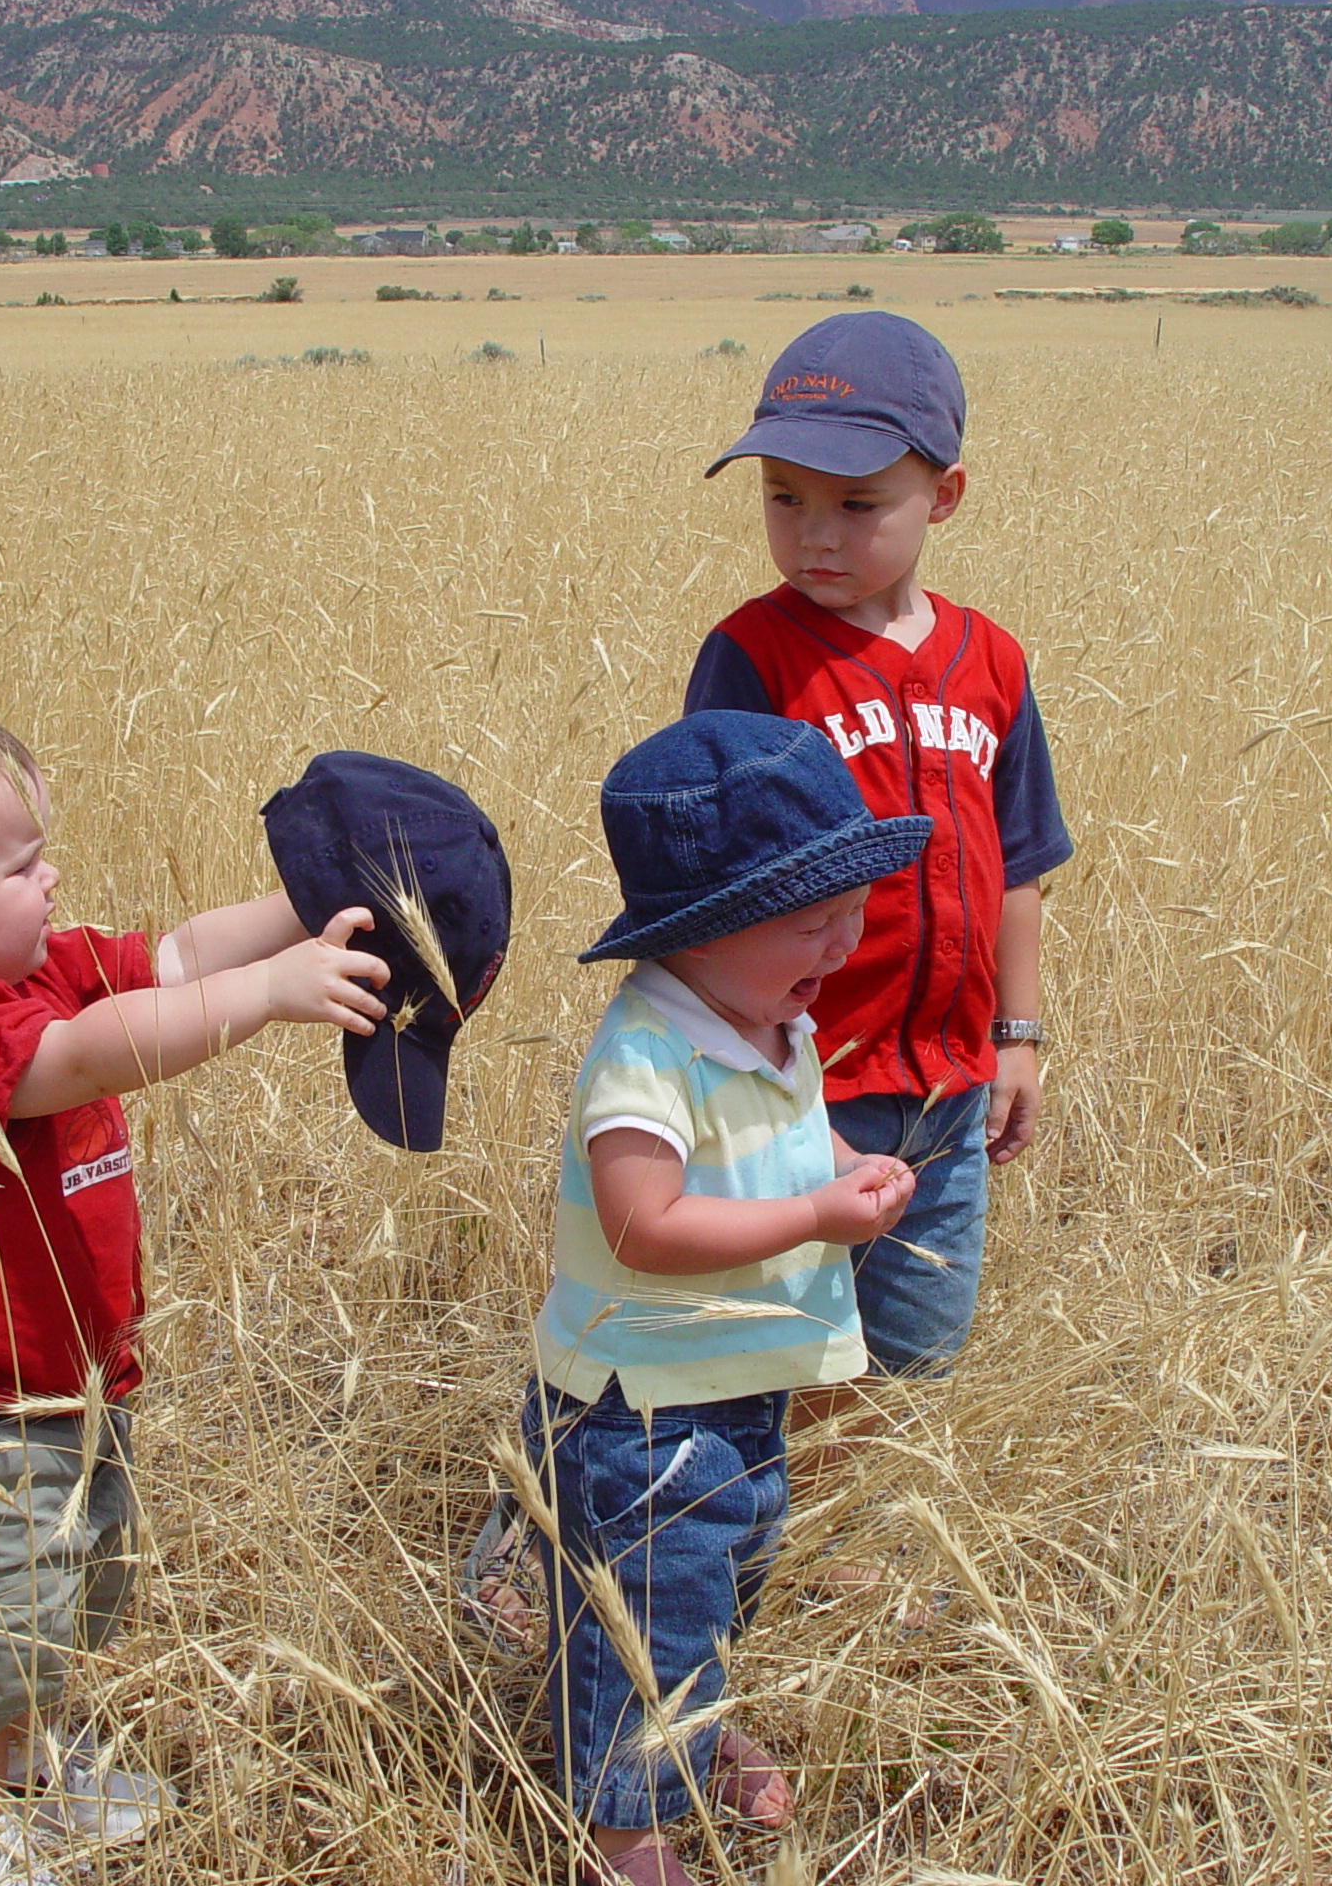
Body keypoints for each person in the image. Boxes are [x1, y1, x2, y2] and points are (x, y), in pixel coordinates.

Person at [0, 693, 390, 1886]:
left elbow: (179, 958)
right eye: (21, 861)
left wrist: (313, 901)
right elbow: (86, 1057)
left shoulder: (29, 961)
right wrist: (267, 996)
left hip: (58, 1393)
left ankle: (27, 1765)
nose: (52, 882)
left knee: (49, 1605)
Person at [517, 709, 924, 1886]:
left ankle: (694, 1733)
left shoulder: (770, 1022)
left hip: (738, 1387)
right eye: (811, 922)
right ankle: (624, 1837)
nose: (843, 943)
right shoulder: (648, 1053)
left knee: (712, 1591)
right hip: (643, 1411)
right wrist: (812, 1220)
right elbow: (646, 1223)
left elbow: (774, 1156)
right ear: (703, 929)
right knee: (643, 1617)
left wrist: (833, 1172)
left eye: (853, 911)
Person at [685, 311, 1073, 1397]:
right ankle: (748, 1542)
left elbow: (1020, 866)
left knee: (913, 1354)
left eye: (858, 505)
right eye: (783, 498)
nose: (815, 535)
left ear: (943, 494)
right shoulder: (751, 659)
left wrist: (1017, 1039)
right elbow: (711, 895)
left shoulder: (990, 663)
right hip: (805, 1087)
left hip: (947, 1089)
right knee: (780, 1344)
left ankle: (863, 1556)